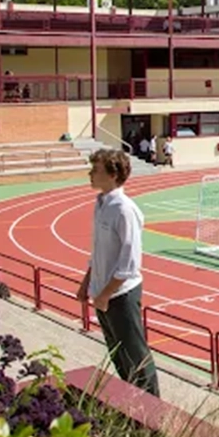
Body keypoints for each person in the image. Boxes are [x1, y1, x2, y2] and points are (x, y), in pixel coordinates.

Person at [76, 149, 160, 397]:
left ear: (113, 175)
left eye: (96, 170)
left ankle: (153, 412)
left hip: (120, 296)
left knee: (136, 356)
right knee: (118, 355)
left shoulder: (124, 210)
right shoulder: (101, 204)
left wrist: (105, 295)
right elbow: (98, 251)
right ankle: (130, 402)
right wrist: (86, 284)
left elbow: (129, 263)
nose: (90, 174)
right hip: (102, 293)